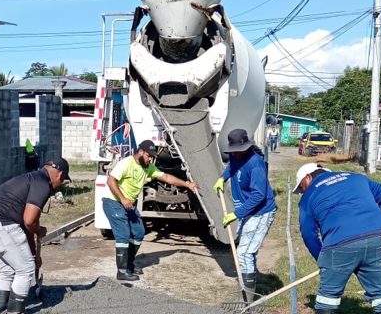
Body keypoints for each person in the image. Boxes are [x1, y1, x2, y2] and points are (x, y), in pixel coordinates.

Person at [294, 163, 381, 314]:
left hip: (340, 242)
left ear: (308, 177)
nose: (301, 192)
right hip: (378, 236)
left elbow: (308, 234)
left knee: (328, 294)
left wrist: (323, 259)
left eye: (301, 187)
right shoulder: (356, 177)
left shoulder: (308, 198)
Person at [0, 159, 70, 314]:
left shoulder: (32, 178)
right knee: (25, 270)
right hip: (2, 225)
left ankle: (1, 310)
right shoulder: (42, 184)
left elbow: (26, 228)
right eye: (62, 180)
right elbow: (29, 221)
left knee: (8, 269)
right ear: (60, 174)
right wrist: (39, 230)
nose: (60, 184)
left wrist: (34, 255)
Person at [103, 140, 199, 282]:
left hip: (129, 204)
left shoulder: (148, 167)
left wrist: (187, 184)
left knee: (139, 232)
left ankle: (129, 265)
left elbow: (166, 177)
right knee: (123, 234)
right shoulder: (126, 163)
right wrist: (123, 198)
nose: (150, 159)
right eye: (149, 156)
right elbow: (111, 181)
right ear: (141, 152)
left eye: (152, 157)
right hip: (114, 202)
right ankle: (122, 271)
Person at [213, 129, 276, 300]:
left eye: (238, 151)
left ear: (246, 147)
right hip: (246, 209)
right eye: (233, 151)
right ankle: (248, 286)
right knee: (246, 250)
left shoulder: (256, 164)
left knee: (245, 253)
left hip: (260, 212)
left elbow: (259, 195)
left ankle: (247, 298)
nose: (236, 154)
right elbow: (231, 167)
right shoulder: (236, 155)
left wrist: (236, 214)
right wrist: (222, 178)